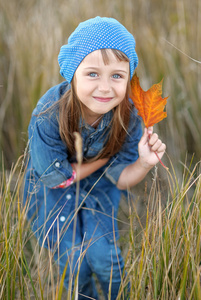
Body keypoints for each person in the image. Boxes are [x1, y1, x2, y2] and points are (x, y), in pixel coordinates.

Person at [23, 16, 166, 299]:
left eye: (117, 75)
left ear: (128, 77)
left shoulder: (130, 115)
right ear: (72, 72)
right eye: (92, 74)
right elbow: (57, 178)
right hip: (54, 193)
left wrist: (144, 163)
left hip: (100, 188)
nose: (105, 87)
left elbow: (121, 179)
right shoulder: (48, 114)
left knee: (103, 257)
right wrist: (104, 161)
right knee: (74, 261)